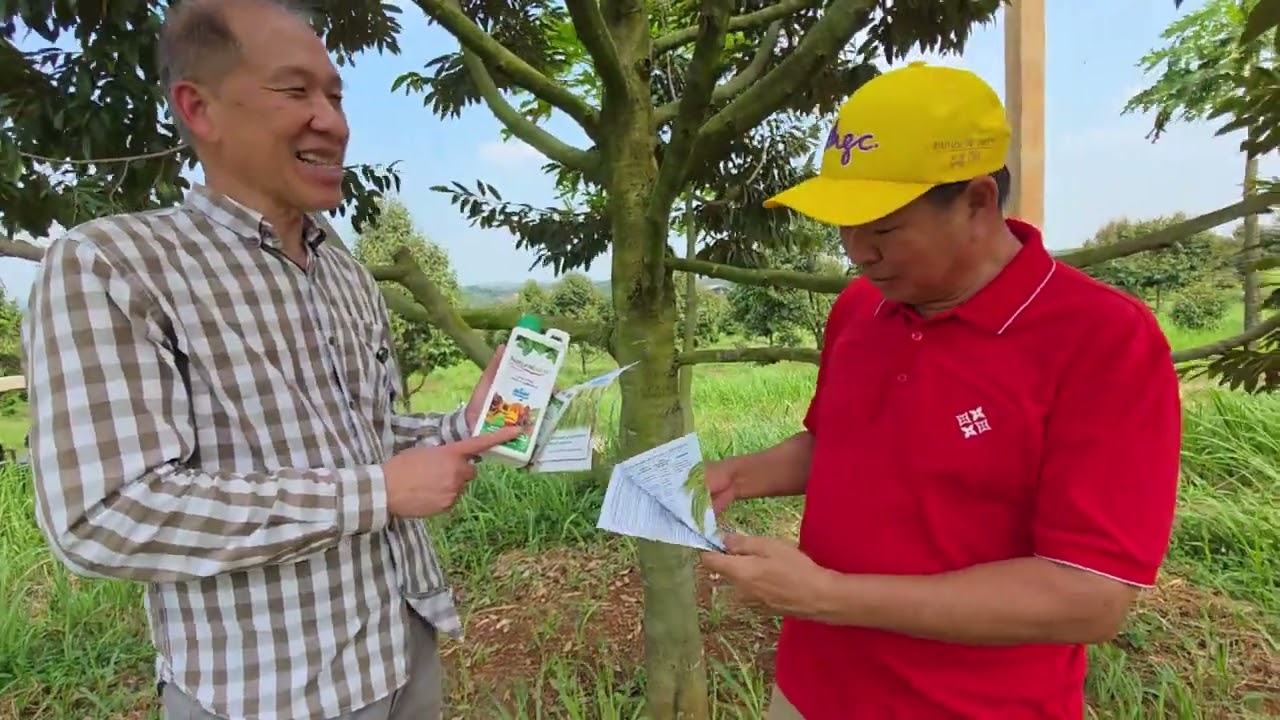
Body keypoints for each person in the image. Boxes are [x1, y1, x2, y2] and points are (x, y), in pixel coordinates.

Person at [23, 1, 521, 718]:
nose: (334, 120)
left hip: (404, 649)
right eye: (296, 91)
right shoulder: (114, 266)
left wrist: (461, 427)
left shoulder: (343, 269)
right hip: (265, 692)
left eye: (336, 95)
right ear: (200, 108)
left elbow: (367, 442)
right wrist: (377, 495)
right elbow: (105, 514)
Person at [699, 62, 1182, 719]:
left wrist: (827, 596)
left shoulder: (1102, 340)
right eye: (844, 226)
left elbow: (1089, 596)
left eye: (884, 229)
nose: (857, 252)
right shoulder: (860, 309)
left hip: (975, 705)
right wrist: (737, 476)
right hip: (813, 690)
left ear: (979, 202)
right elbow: (842, 443)